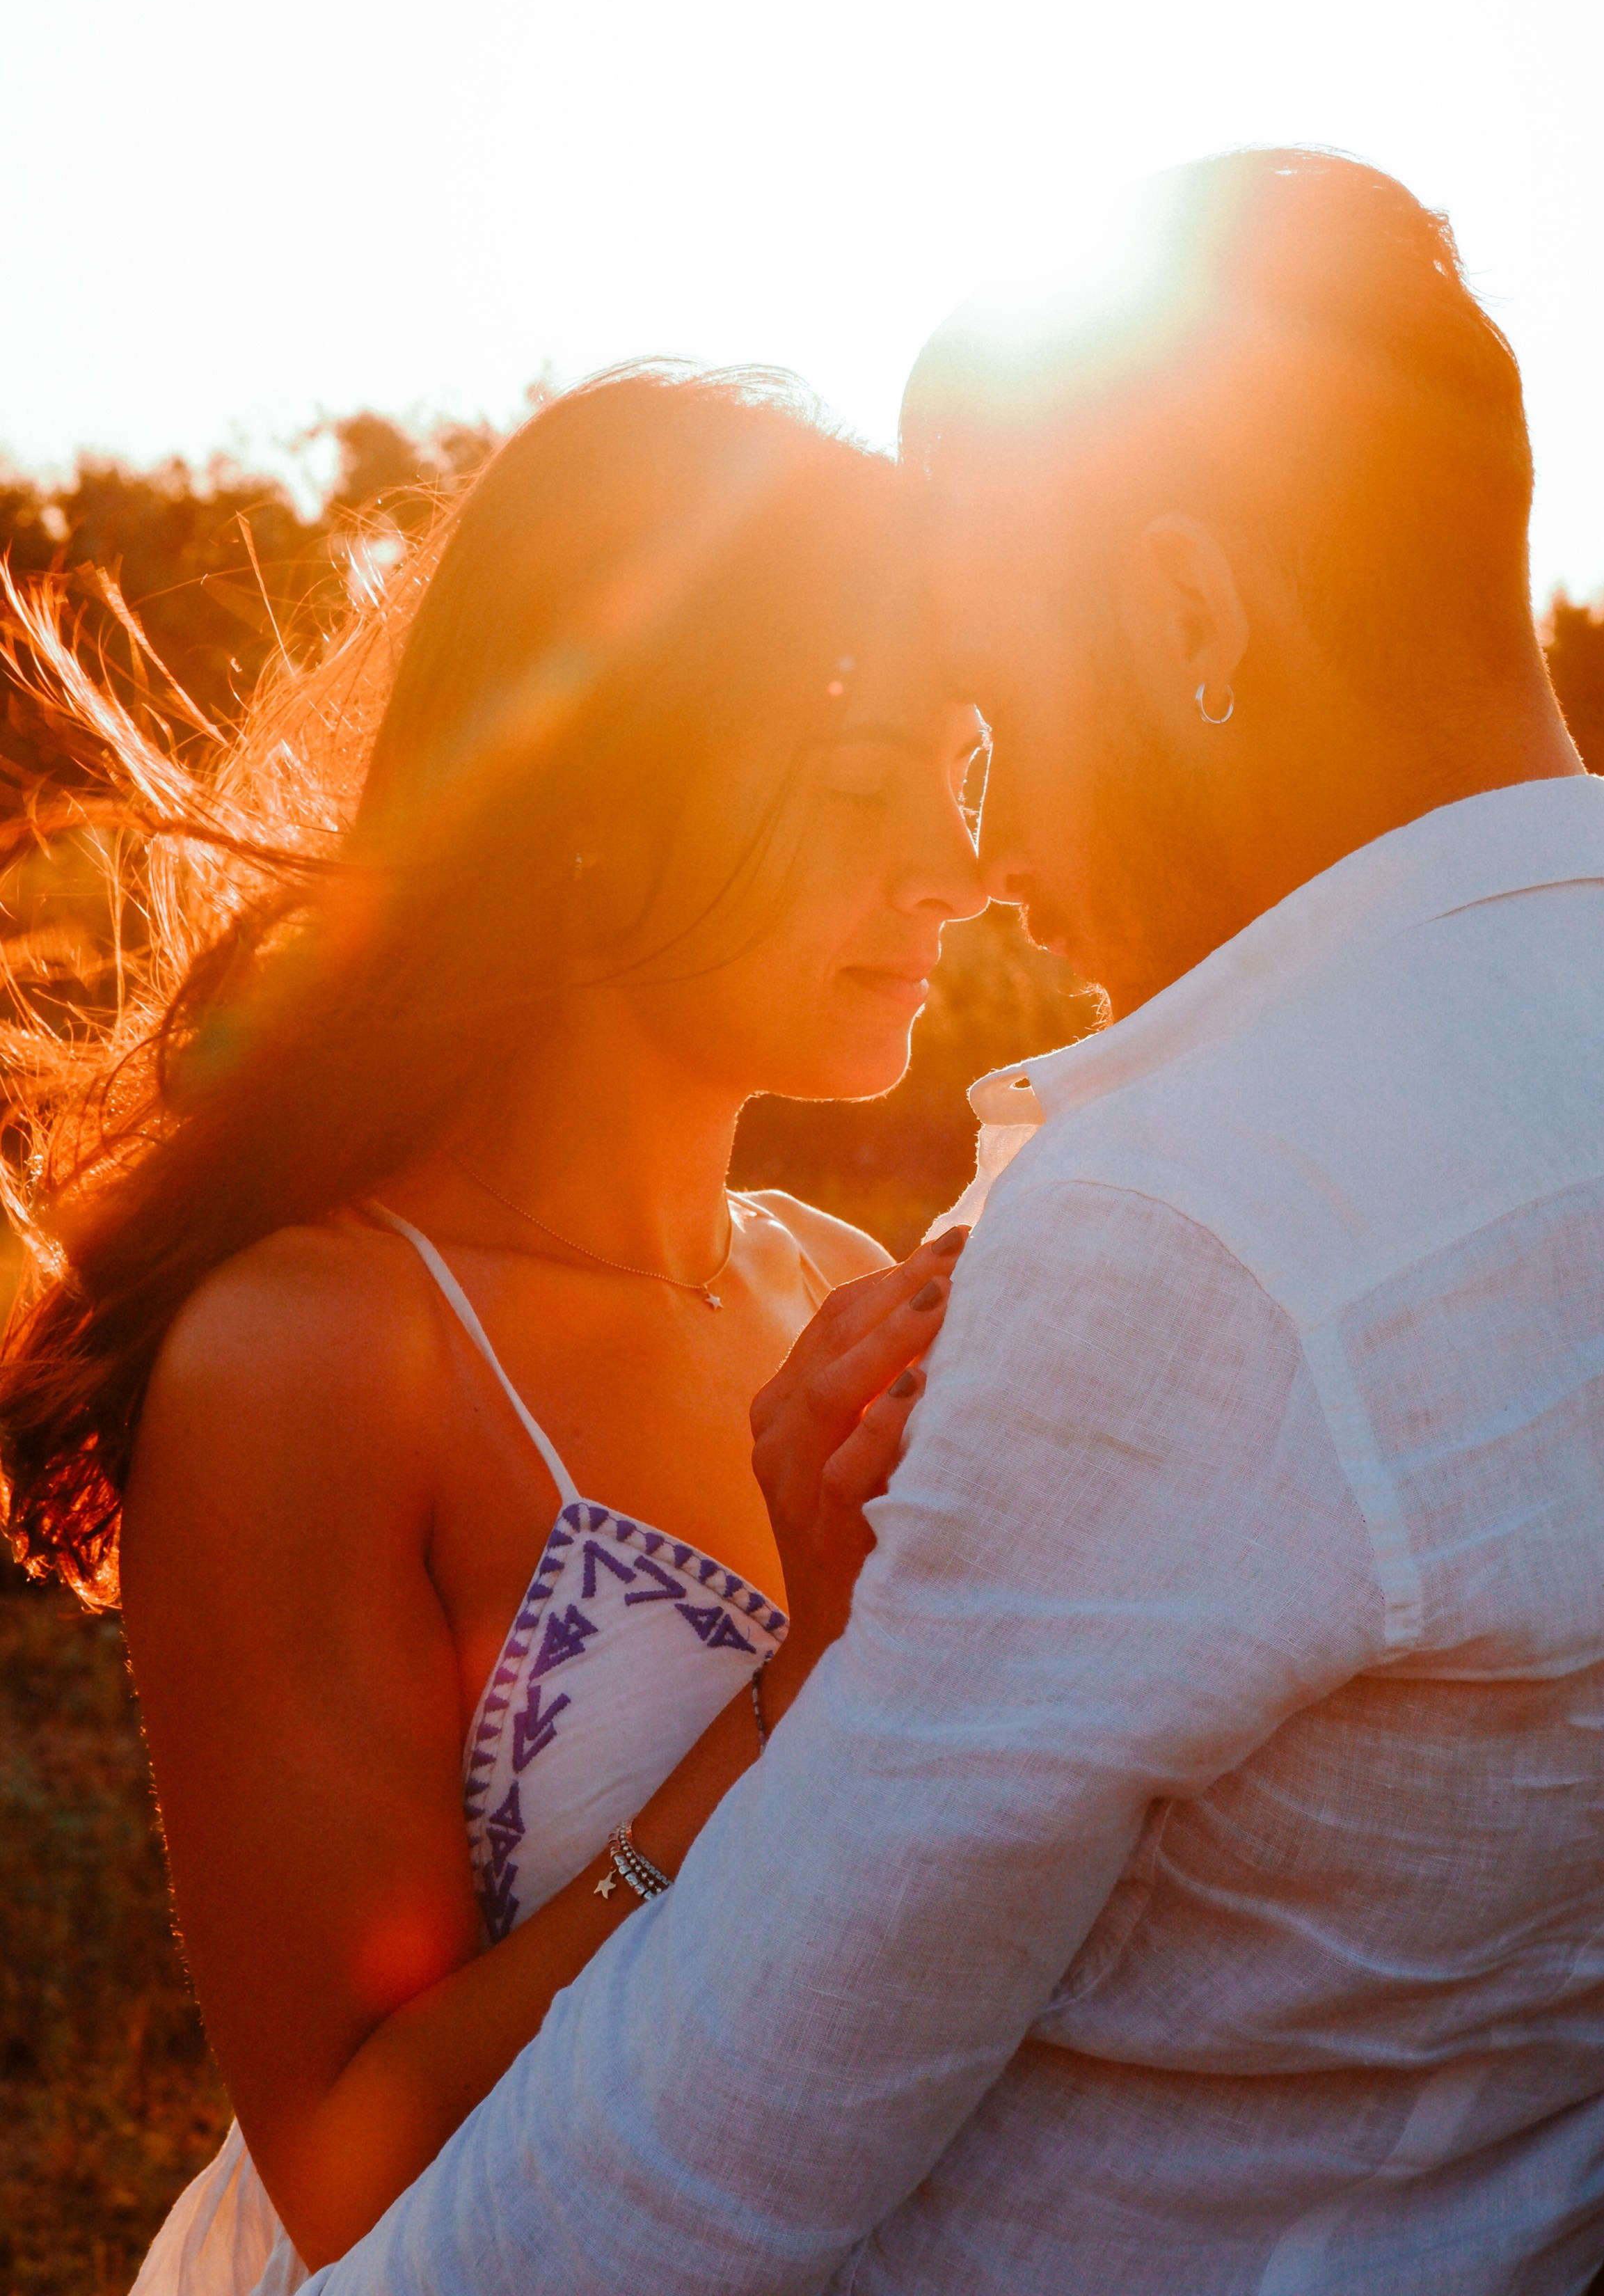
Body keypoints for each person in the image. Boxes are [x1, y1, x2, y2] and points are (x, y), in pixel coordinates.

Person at [301, 150, 1604, 2295]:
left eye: (995, 715)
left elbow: (672, 2182)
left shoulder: (1199, 1224)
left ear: (1189, 619)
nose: (985, 864)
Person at [0, 365, 989, 2288]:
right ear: (604, 800)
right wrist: (804, 1696)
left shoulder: (822, 1281)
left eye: (964, 777)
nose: (953, 869)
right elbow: (353, 2168)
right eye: (871, 785)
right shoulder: (313, 1355)